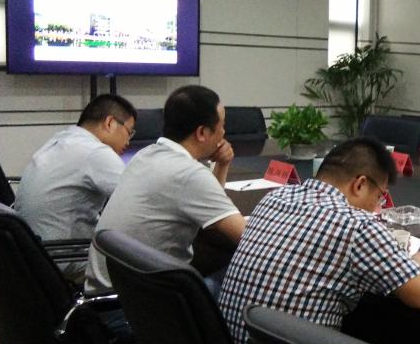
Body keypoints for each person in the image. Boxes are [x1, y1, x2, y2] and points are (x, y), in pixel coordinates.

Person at [217, 137, 420, 344]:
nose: (378, 208)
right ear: (360, 184)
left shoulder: (274, 199)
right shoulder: (357, 225)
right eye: (380, 197)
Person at [87, 85, 246, 292]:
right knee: (239, 271)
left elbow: (209, 206)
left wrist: (222, 165)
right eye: (221, 126)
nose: (224, 133)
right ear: (202, 132)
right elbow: (248, 239)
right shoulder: (189, 174)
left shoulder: (145, 154)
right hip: (142, 301)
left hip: (103, 293)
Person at [14, 94, 137, 282]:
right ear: (110, 123)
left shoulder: (60, 140)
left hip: (31, 259)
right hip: (67, 263)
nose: (128, 142)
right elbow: (138, 202)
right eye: (129, 132)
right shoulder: (95, 152)